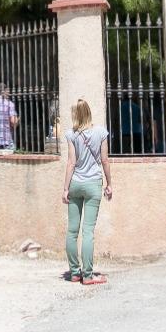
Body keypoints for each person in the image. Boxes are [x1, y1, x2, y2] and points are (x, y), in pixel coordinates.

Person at [59, 98, 112, 284]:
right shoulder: (101, 133)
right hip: (93, 184)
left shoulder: (71, 134)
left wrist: (65, 188)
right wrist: (109, 184)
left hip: (75, 184)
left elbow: (71, 162)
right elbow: (105, 160)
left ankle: (75, 272)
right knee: (88, 231)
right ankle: (88, 275)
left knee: (72, 231)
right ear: (89, 112)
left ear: (75, 115)